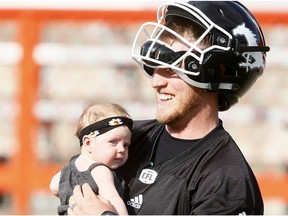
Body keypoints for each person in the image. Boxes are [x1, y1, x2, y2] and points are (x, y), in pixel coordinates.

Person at [68, 1, 270, 215]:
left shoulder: (225, 180)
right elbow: (69, 179)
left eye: (173, 68)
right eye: (154, 65)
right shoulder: (129, 138)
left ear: (216, 71)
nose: (156, 82)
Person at [49, 103, 133, 215]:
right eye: (113, 142)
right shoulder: (100, 171)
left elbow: (54, 187)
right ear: (88, 143)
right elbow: (113, 199)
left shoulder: (68, 168)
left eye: (126, 145)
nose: (122, 149)